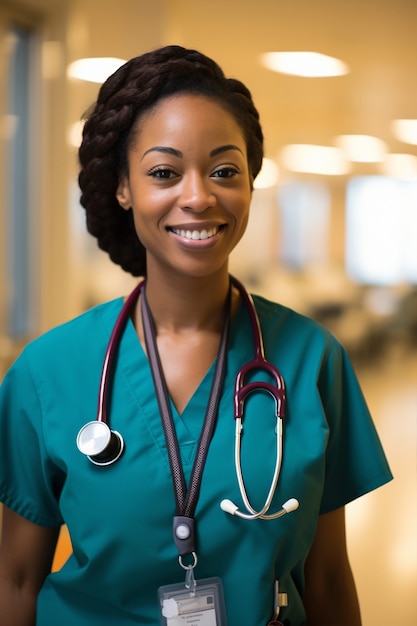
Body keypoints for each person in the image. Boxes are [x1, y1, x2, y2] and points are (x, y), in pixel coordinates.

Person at [0, 45, 392, 626]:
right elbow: (15, 577)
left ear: (250, 184)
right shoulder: (46, 371)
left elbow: (329, 574)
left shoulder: (313, 360)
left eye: (224, 170)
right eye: (163, 172)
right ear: (123, 187)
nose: (198, 196)